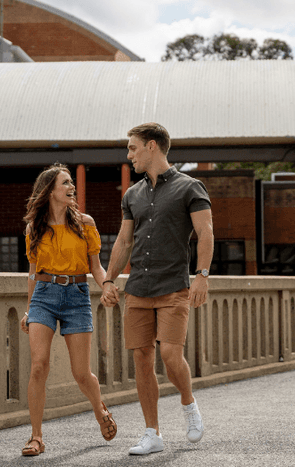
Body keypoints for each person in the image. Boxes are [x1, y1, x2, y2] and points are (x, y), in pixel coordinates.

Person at [101, 123, 213, 456]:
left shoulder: (190, 187)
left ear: (152, 146)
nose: (129, 155)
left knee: (169, 355)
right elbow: (124, 241)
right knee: (142, 359)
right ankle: (152, 433)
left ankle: (188, 403)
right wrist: (109, 280)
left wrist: (202, 275)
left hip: (173, 287)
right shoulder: (132, 195)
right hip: (138, 289)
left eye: (132, 148)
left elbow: (205, 233)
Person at [20, 164, 117, 456]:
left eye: (72, 182)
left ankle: (100, 410)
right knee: (39, 366)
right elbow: (33, 273)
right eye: (65, 183)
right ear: (51, 190)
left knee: (81, 374)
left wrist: (107, 285)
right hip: (44, 296)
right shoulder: (34, 228)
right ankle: (36, 437)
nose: (71, 186)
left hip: (77, 295)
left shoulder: (85, 223)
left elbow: (96, 267)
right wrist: (28, 309)